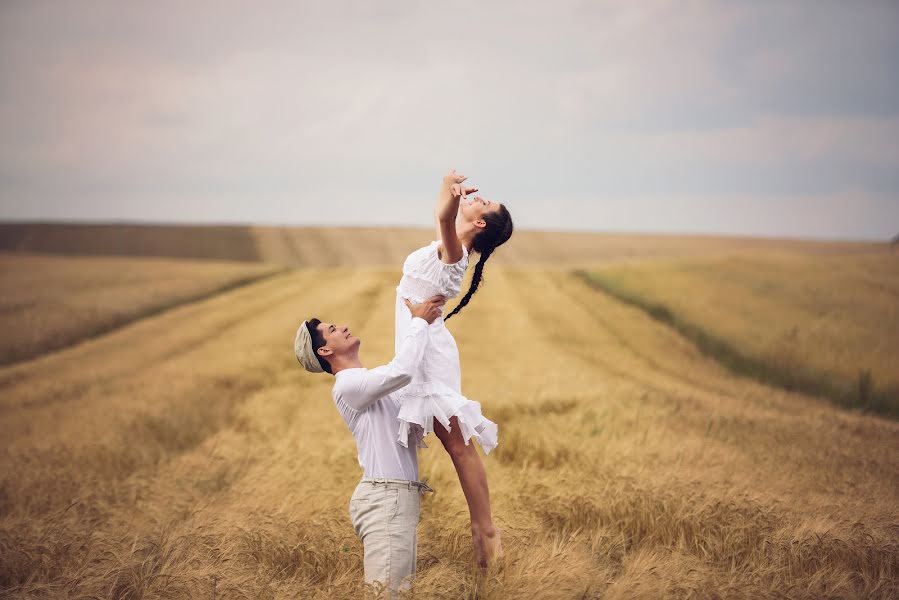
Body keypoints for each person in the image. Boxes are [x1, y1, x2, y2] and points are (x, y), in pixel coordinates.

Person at [393, 169, 514, 566]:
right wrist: (449, 188)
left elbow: (444, 217)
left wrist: (449, 184)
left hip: (429, 355)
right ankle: (400, 521)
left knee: (458, 445)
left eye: (484, 202)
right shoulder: (448, 248)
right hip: (419, 346)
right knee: (449, 443)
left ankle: (486, 530)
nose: (479, 198)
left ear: (479, 223)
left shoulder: (455, 253)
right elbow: (440, 213)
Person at [294, 295, 446, 596]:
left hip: (394, 499)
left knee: (396, 593)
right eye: (334, 329)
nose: (344, 327)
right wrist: (418, 321)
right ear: (324, 350)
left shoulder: (370, 386)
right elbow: (402, 370)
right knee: (387, 594)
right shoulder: (348, 385)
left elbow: (411, 380)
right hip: (385, 498)